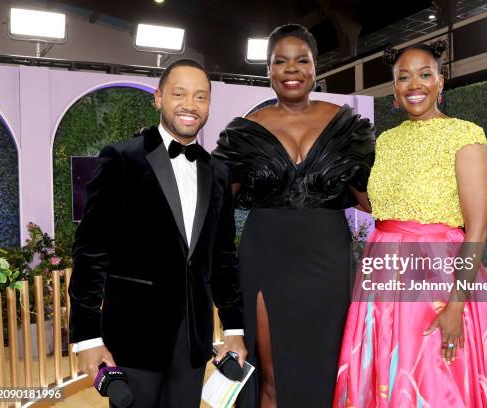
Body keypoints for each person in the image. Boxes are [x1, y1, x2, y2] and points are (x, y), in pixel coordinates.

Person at [333, 43, 487, 407]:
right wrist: (342, 175)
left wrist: (456, 305)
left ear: (440, 81)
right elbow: (386, 208)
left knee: (436, 381)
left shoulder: (465, 135)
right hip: (382, 276)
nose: (415, 84)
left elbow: (477, 228)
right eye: (403, 77)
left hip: (440, 277)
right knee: (390, 379)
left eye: (425, 74)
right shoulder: (386, 141)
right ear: (393, 89)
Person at [212, 24, 375, 408]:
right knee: (270, 373)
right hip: (264, 259)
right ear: (267, 71)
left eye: (302, 60)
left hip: (328, 260)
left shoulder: (347, 126)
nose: (291, 69)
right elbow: (214, 206)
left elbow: (373, 199)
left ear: (315, 69)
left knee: (325, 368)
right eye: (280, 61)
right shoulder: (244, 133)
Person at [69, 59, 246, 408]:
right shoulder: (120, 159)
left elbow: (223, 258)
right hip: (135, 335)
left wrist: (234, 330)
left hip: (193, 341)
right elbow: (91, 251)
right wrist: (87, 336)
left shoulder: (220, 173)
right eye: (178, 93)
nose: (189, 105)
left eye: (200, 96)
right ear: (158, 98)